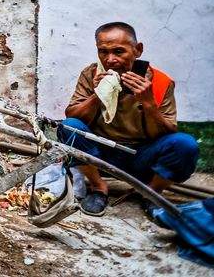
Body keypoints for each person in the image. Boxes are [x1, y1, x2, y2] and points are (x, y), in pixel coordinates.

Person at [61, 21, 199, 216]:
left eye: (119, 52)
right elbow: (72, 117)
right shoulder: (92, 74)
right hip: (99, 153)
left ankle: (151, 192)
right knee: (70, 128)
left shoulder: (159, 81)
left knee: (186, 145)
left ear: (138, 50)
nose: (110, 60)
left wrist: (148, 102)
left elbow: (167, 134)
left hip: (142, 156)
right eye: (103, 52)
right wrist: (97, 95)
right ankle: (98, 188)